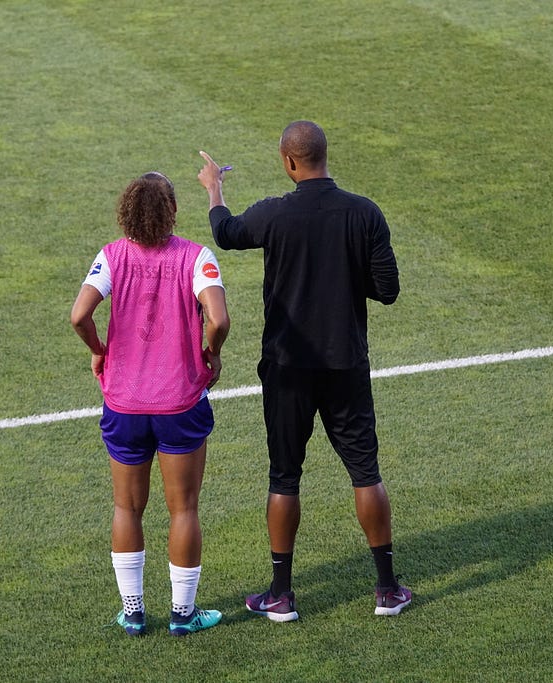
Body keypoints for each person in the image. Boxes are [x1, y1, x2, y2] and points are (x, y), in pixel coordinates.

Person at [197, 121, 411, 621]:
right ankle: (386, 589)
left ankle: (281, 595)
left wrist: (214, 188)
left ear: (289, 162)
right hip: (345, 366)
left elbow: (226, 234)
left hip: (287, 368)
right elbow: (388, 290)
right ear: (324, 156)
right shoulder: (365, 214)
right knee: (366, 472)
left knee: (284, 476)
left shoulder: (276, 213)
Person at [71, 171, 231, 637]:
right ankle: (183, 615)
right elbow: (218, 318)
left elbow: (78, 315)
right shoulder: (197, 257)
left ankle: (134, 612)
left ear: (126, 212)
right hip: (181, 402)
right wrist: (212, 352)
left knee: (127, 508)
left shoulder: (111, 256)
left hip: (123, 405)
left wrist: (99, 349)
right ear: (173, 212)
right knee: (183, 510)